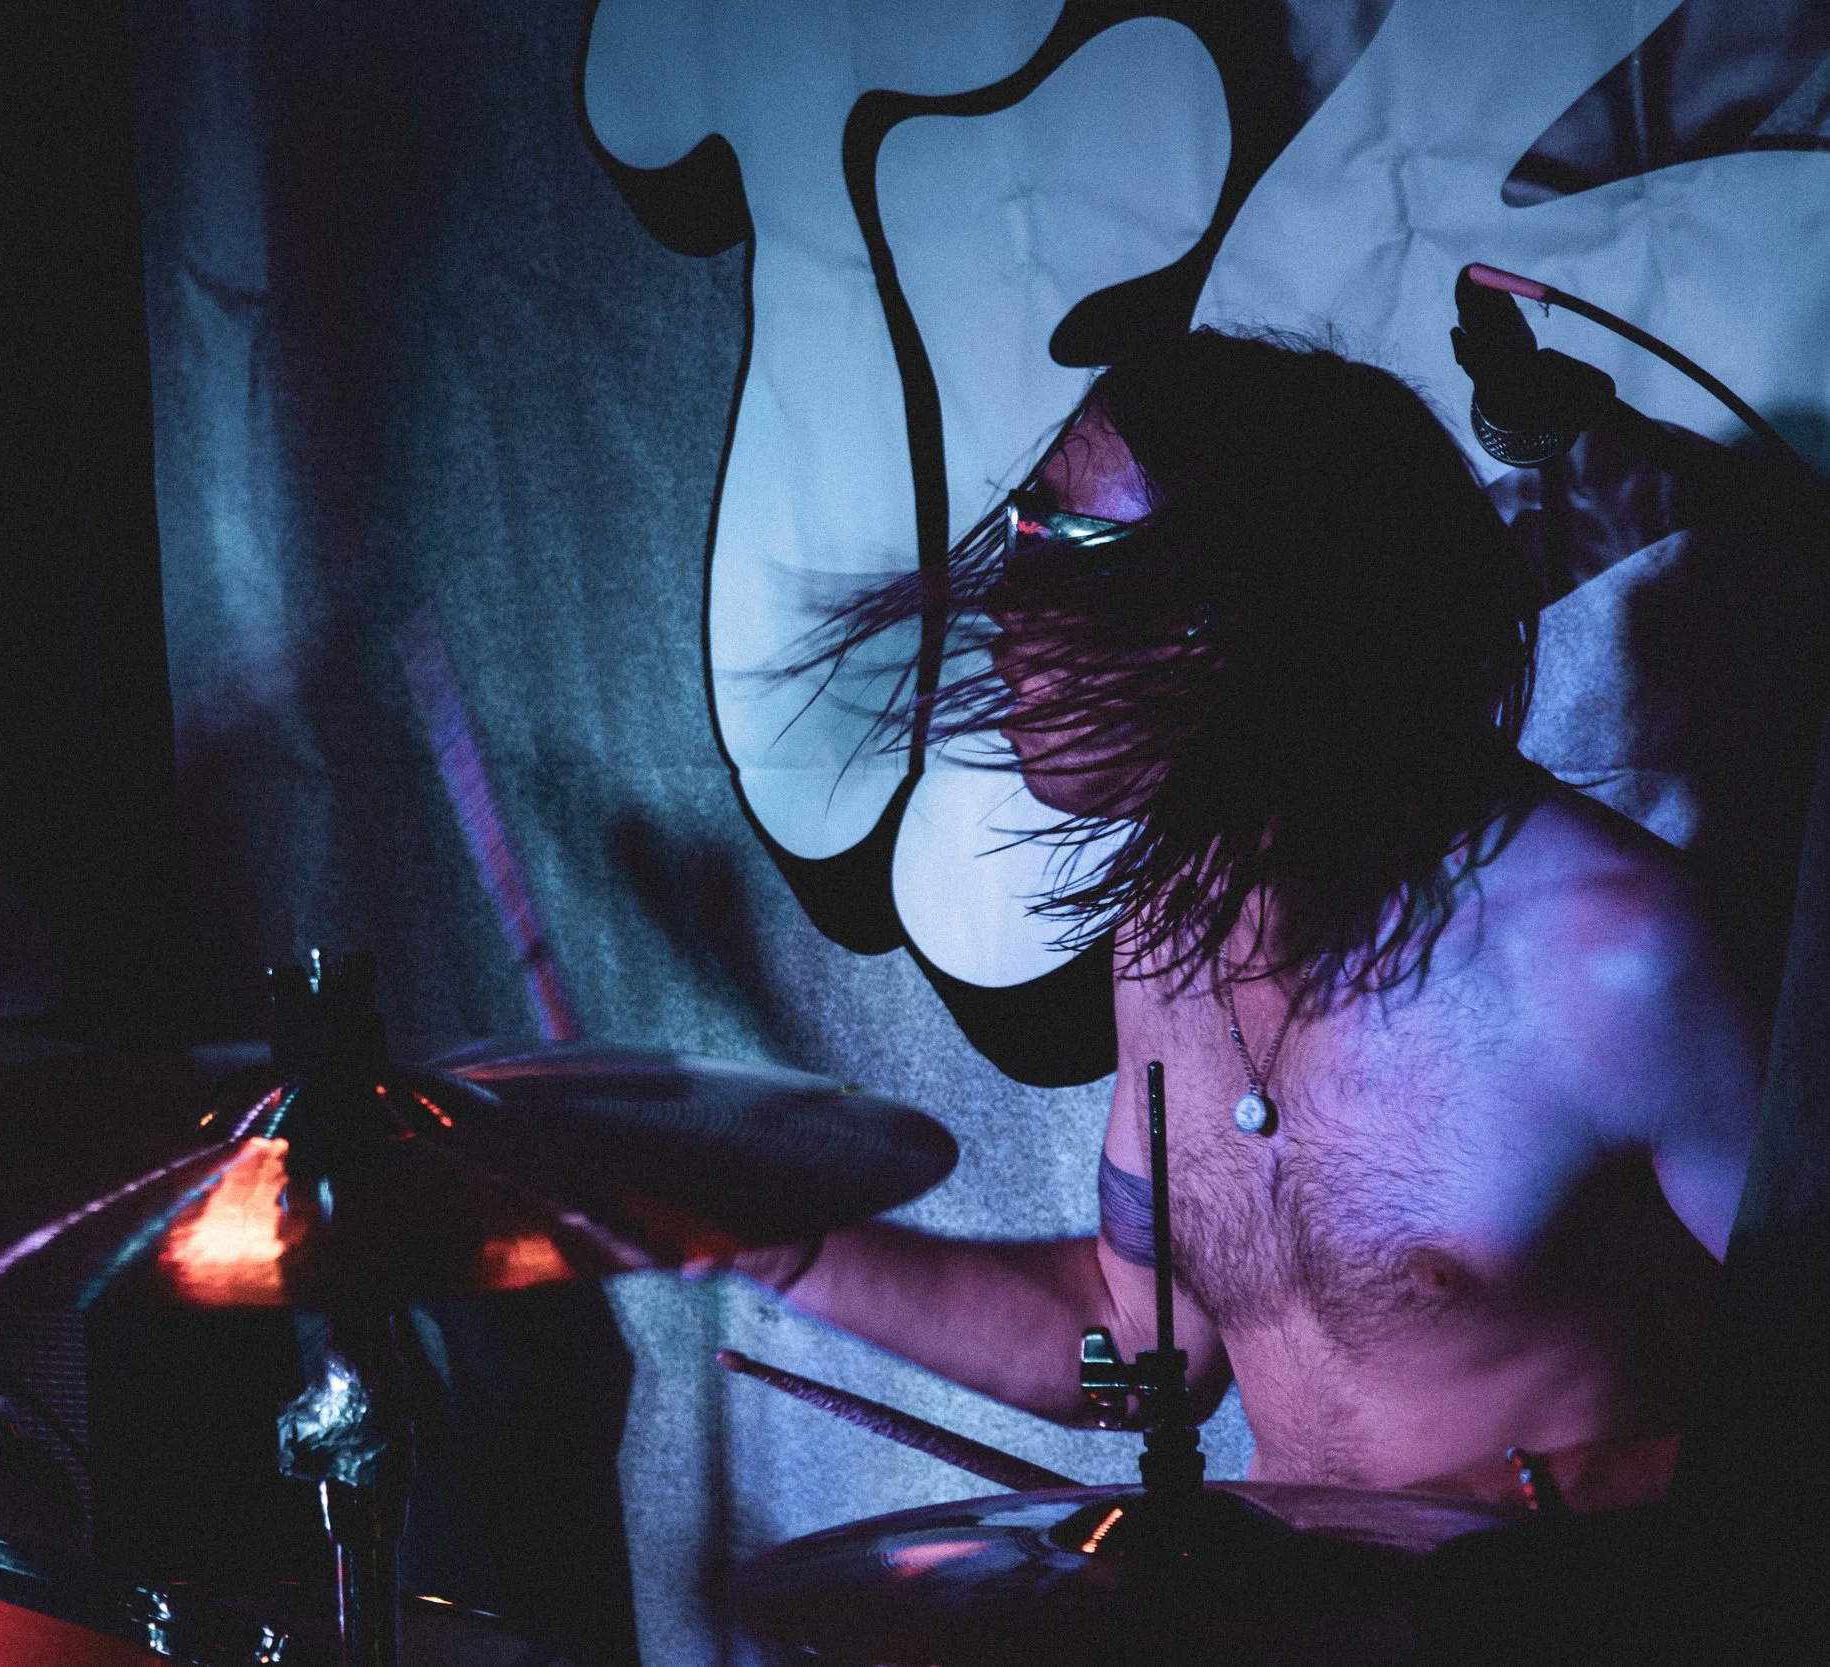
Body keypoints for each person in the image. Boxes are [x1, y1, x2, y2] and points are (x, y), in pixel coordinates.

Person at [745, 329, 1759, 1506]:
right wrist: (773, 1245)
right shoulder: (1167, 942)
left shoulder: (1611, 956)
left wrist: (1497, 1515)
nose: (1009, 604)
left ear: (1262, 607)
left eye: (1066, 542)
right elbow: (1138, 1345)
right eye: (1019, 534)